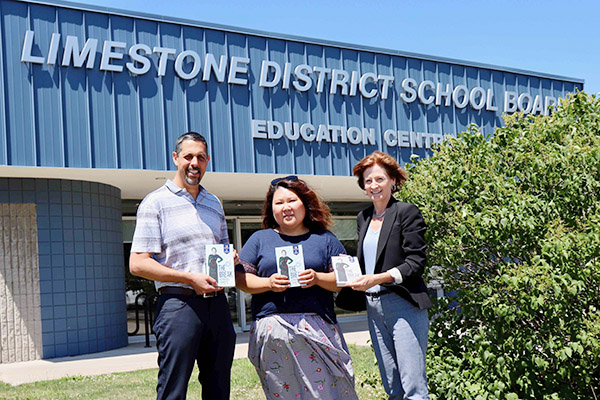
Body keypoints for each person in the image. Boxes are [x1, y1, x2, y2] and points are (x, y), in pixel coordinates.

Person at [129, 132, 236, 400]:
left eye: (201, 157)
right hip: (178, 305)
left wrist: (231, 258)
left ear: (207, 160)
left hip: (217, 306)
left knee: (219, 388)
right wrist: (189, 278)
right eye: (188, 156)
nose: (194, 163)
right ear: (176, 158)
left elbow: (222, 248)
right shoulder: (155, 202)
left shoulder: (214, 203)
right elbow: (138, 263)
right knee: (173, 390)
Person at [236, 175, 359, 400]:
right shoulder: (259, 239)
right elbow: (242, 280)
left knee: (329, 391)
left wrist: (318, 278)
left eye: (292, 200)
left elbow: (343, 281)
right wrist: (268, 283)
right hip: (274, 330)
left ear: (305, 203)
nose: (286, 207)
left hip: (319, 328)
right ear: (271, 208)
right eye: (279, 202)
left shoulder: (325, 239)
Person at [347, 151, 432, 400]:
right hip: (373, 306)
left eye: (379, 179)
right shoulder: (363, 217)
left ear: (393, 181)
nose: (373, 185)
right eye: (368, 180)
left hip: (403, 303)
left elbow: (416, 263)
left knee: (413, 388)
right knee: (392, 387)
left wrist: (378, 278)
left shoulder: (406, 212)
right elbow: (366, 260)